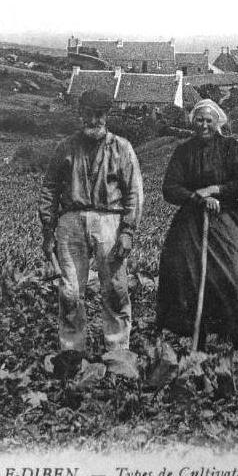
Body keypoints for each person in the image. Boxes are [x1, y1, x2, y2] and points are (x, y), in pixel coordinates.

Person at [38, 90, 144, 353]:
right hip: (71, 221)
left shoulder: (122, 148)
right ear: (81, 114)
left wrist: (128, 231)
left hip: (110, 220)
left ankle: (118, 350)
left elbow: (134, 192)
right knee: (70, 292)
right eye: (88, 114)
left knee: (115, 289)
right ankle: (72, 351)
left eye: (99, 115)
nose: (93, 120)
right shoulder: (66, 147)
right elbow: (49, 188)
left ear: (106, 116)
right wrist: (48, 230)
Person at [156, 99, 238, 348]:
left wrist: (216, 190)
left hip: (226, 216)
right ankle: (194, 332)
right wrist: (195, 197)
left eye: (209, 121)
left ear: (217, 122)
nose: (204, 125)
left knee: (235, 266)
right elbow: (170, 187)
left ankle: (237, 334)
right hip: (191, 218)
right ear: (193, 122)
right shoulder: (183, 151)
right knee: (180, 266)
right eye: (199, 120)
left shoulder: (231, 148)